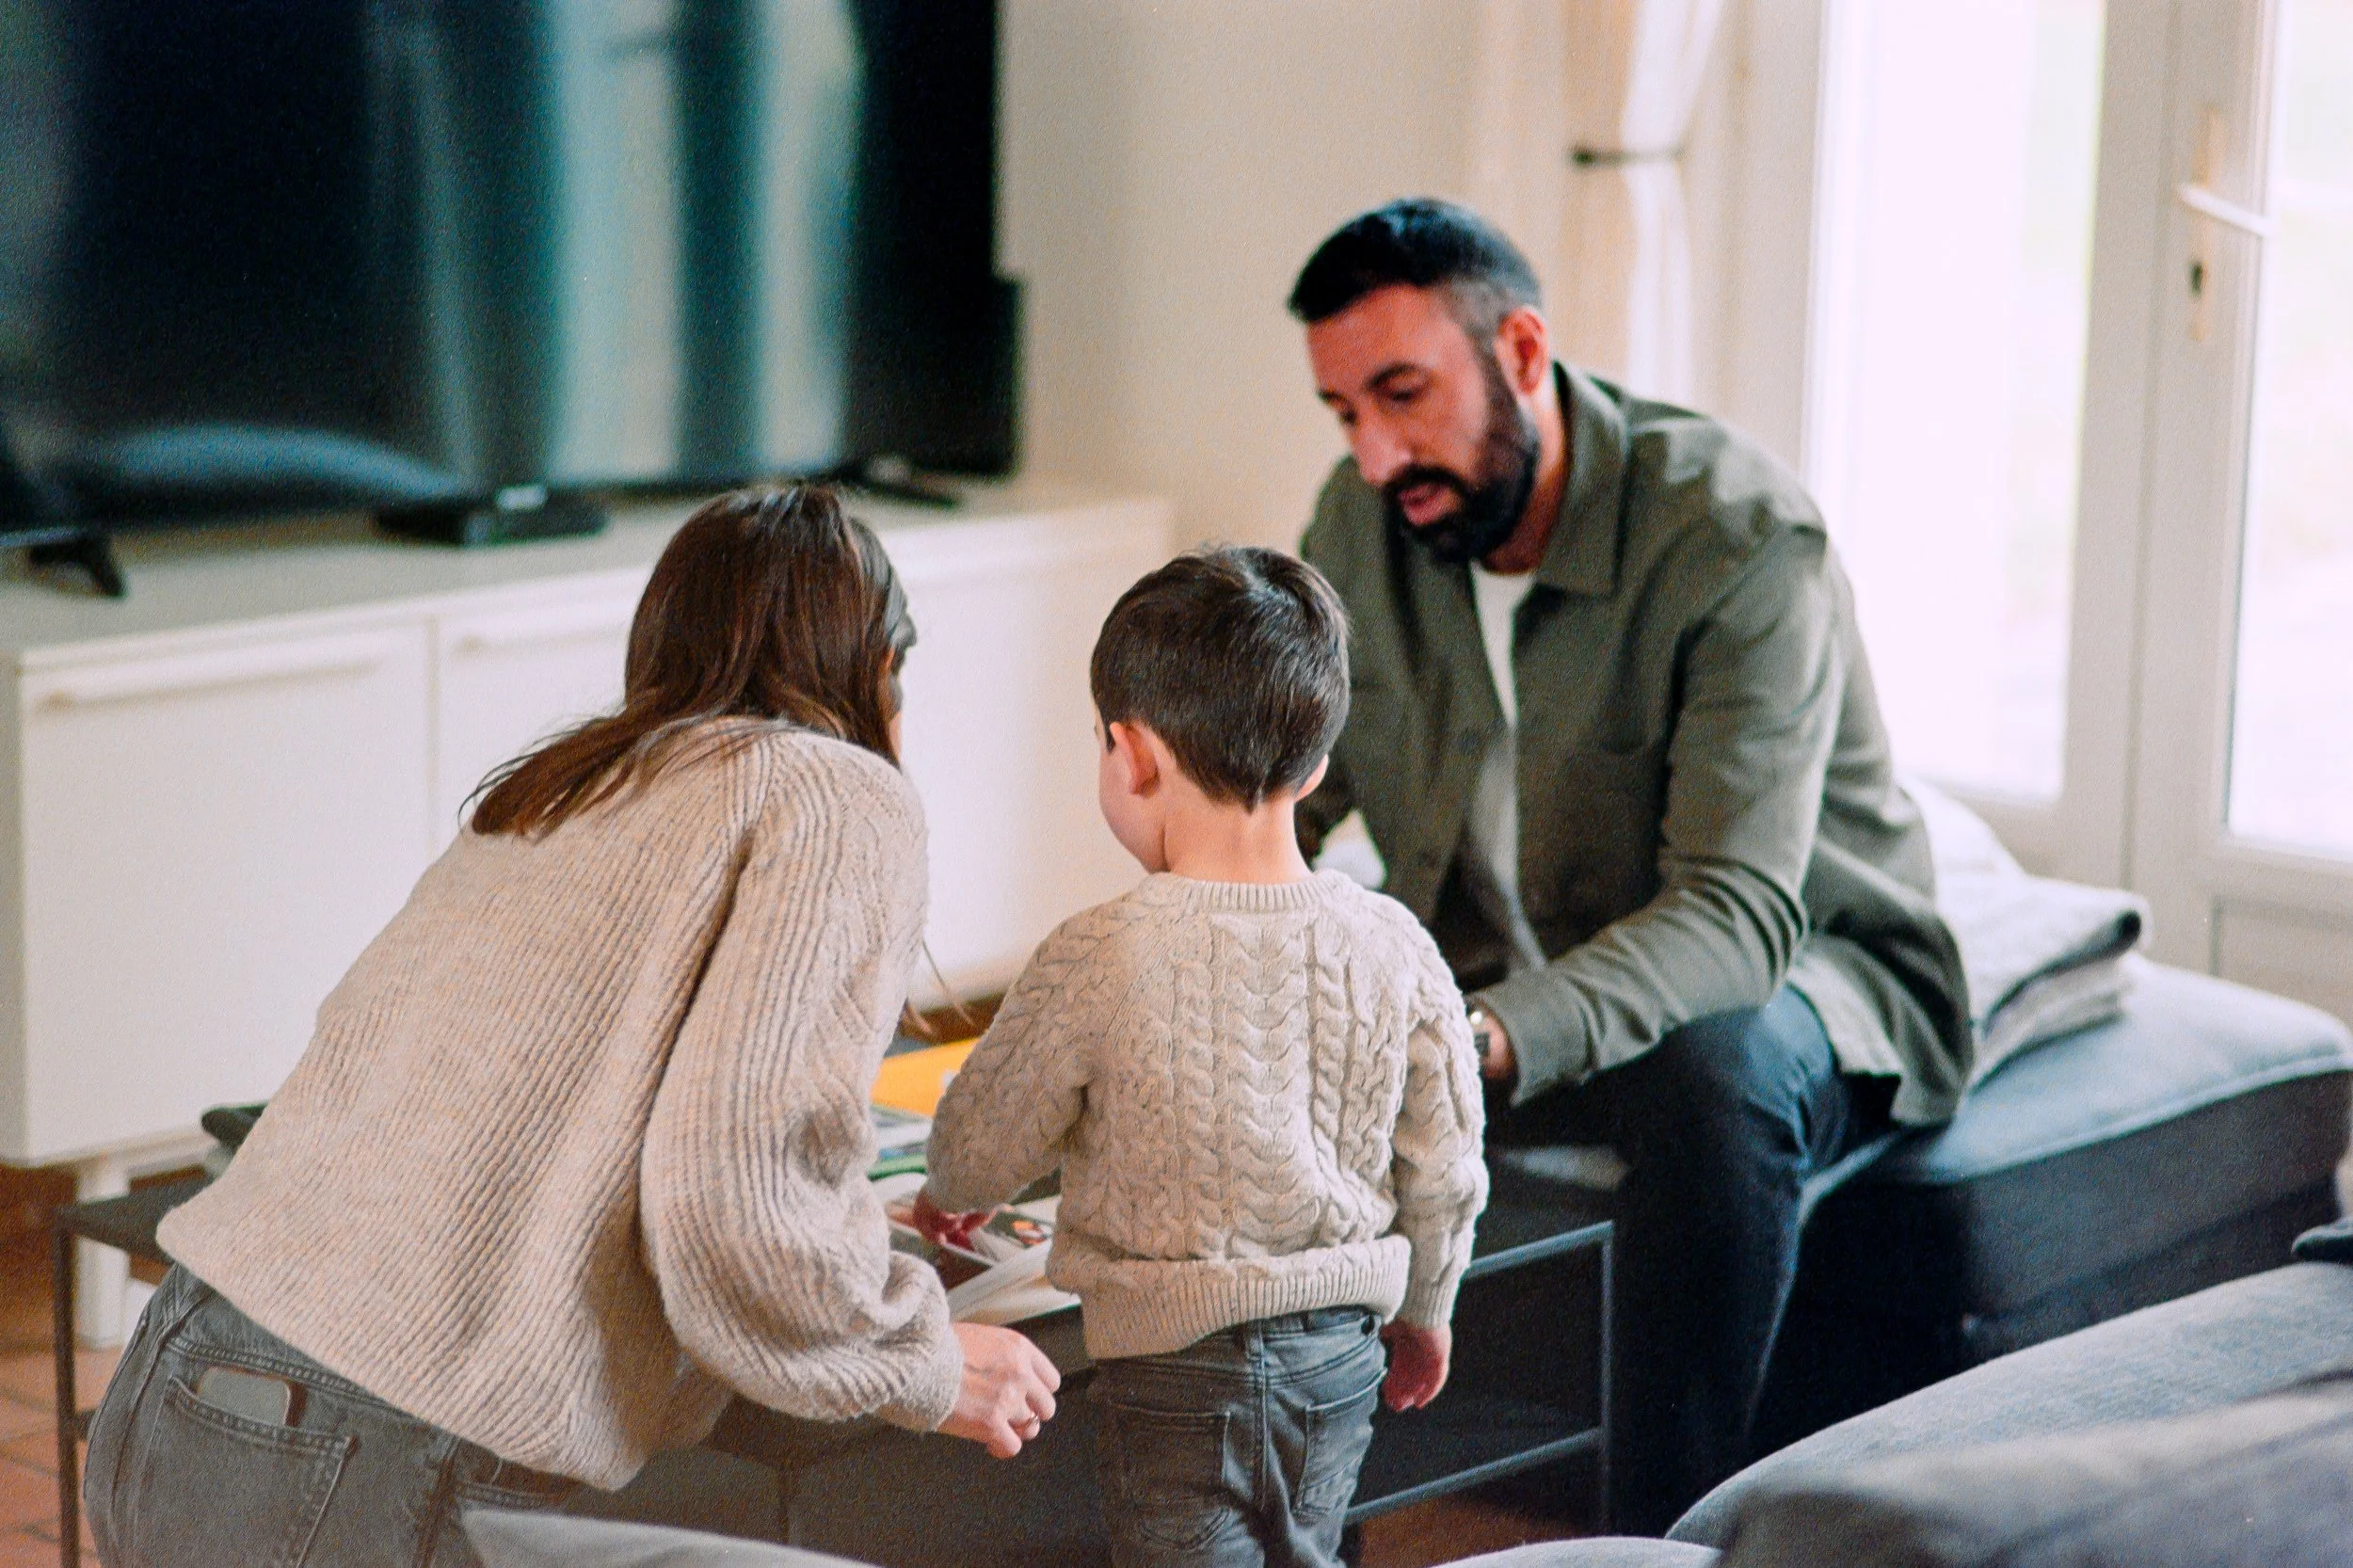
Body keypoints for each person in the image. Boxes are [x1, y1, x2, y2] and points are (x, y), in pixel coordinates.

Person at [83, 488, 1062, 1568]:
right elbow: (736, 1196)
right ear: (879, 665)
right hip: (347, 1460)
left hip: (167, 1392)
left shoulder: (561, 786)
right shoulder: (838, 792)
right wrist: (927, 1362)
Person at [1286, 200, 1972, 1531]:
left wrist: (1476, 1037)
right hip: (1506, 973)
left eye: (1403, 394)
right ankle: (1303, 1524)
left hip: (1801, 969)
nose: (1374, 454)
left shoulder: (1736, 536)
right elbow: (1294, 788)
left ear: (1524, 351)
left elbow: (1733, 912)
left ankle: (1662, 1538)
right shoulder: (1367, 517)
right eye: (1341, 413)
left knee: (1709, 1073)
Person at [913, 548, 1489, 1568]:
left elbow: (984, 1127)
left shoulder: (1101, 948)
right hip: (1338, 1357)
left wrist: (952, 1188)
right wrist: (1428, 1310)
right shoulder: (1396, 944)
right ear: (1315, 766)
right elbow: (1444, 1166)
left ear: (1130, 755)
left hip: (1172, 1370)